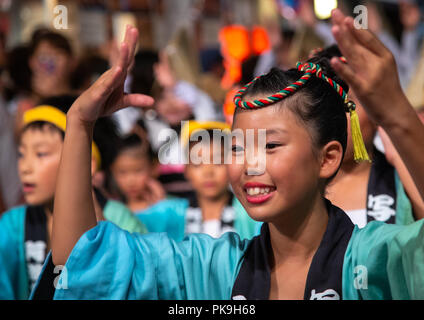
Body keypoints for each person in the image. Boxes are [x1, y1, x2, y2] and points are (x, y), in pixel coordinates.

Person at [31, 15, 424, 300]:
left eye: (270, 145)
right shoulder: (212, 268)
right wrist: (79, 124)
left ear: (328, 158)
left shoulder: (375, 261)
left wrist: (398, 117)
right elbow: (81, 263)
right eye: (238, 147)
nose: (250, 164)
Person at [0, 96, 146, 300]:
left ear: (87, 162)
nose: (25, 167)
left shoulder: (119, 220)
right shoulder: (12, 225)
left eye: (41, 154)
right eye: (22, 154)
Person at [313, 45, 424, 227]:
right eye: (321, 107)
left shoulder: (403, 178)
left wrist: (399, 156)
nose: (333, 118)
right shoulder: (300, 184)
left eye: (347, 106)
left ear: (376, 110)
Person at [135, 120, 260, 241]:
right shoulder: (170, 213)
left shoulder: (250, 214)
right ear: (186, 170)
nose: (208, 172)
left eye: (218, 162)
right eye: (197, 163)